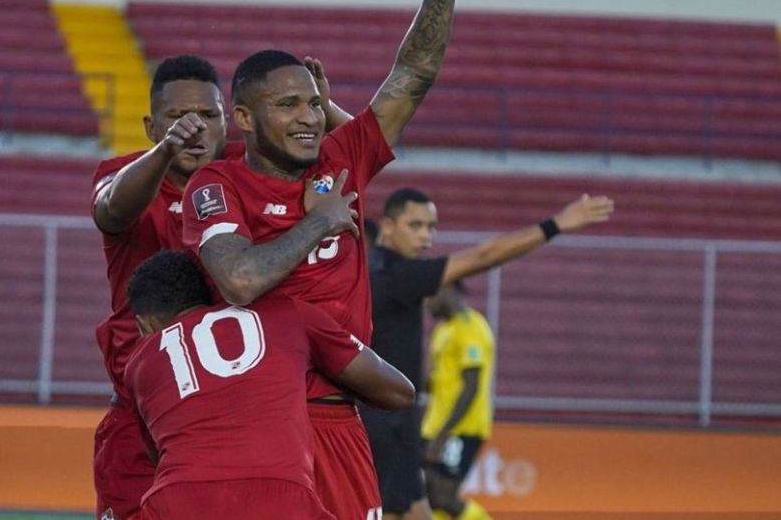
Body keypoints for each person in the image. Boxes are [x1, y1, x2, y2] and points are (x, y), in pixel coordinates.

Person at [183, 0, 465, 516]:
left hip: (341, 419)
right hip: (259, 419)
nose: (310, 117)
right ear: (243, 118)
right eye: (288, 105)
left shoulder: (343, 159)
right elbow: (238, 280)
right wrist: (322, 223)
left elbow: (413, 73)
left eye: (315, 103)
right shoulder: (217, 185)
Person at [90, 54, 350, 520]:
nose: (194, 128)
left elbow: (352, 153)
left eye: (209, 116)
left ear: (231, 121)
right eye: (177, 118)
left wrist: (324, 109)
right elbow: (109, 210)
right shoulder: (126, 174)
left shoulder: (249, 174)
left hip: (232, 417)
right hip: (141, 410)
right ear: (152, 126)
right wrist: (166, 152)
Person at [360, 187, 614, 520]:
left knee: (419, 510)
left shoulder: (378, 274)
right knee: (415, 506)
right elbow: (485, 256)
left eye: (431, 227)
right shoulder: (397, 275)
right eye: (415, 225)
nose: (426, 236)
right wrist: (556, 225)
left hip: (398, 422)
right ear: (388, 227)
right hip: (387, 424)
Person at [122, 250, 415, 520]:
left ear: (145, 325)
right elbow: (398, 392)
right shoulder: (287, 313)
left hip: (176, 499)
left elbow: (159, 453)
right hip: (277, 493)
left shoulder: (138, 364)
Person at [422, 282, 494, 520]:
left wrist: (443, 435)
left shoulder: (470, 327)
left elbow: (471, 387)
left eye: (430, 294)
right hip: (434, 426)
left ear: (448, 289)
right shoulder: (444, 329)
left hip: (460, 429)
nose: (427, 302)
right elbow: (438, 380)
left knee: (443, 497)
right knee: (426, 495)